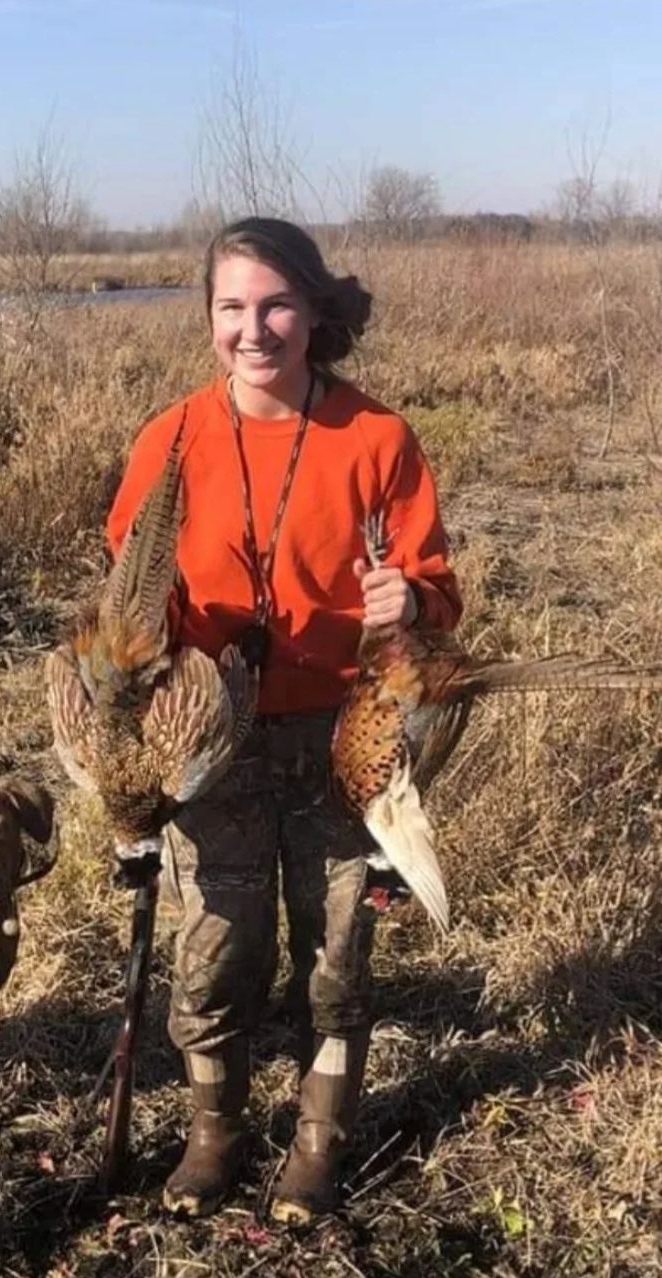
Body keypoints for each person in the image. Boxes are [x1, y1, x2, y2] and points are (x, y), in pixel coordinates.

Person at [105, 216, 462, 1223]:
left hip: (339, 742)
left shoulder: (377, 438)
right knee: (216, 946)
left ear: (311, 311)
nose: (252, 329)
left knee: (335, 949)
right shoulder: (169, 439)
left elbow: (438, 587)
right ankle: (214, 1131)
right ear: (208, 317)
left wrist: (412, 603)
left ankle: (318, 1137)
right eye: (231, 308)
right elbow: (128, 592)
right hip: (206, 740)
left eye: (274, 305)